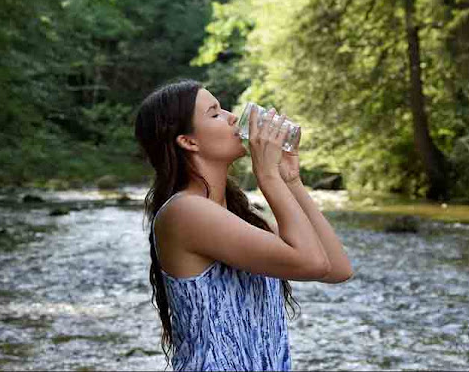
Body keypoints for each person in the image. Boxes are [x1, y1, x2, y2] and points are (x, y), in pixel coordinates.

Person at [134, 79, 353, 371]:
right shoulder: (186, 211)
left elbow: (336, 268)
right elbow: (311, 263)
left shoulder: (236, 216)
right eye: (215, 113)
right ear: (189, 141)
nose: (232, 117)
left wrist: (290, 179)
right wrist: (267, 177)